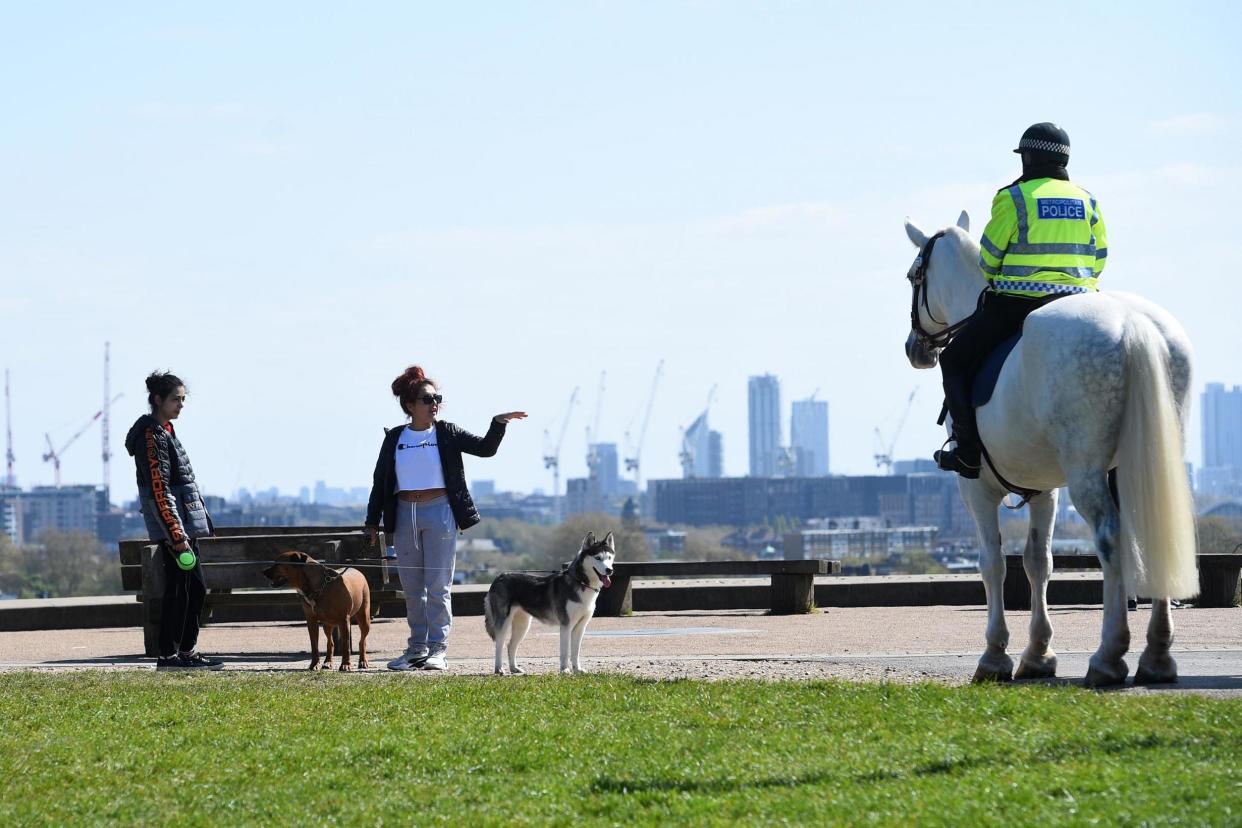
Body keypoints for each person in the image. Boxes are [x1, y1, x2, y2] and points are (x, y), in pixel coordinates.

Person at [935, 122, 1109, 478]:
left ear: (1028, 158)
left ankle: (967, 454)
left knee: (953, 360)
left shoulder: (1013, 198)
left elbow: (987, 260)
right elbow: (1100, 257)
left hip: (1019, 303)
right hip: (1081, 303)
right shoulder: (1087, 200)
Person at [365, 365, 525, 671]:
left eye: (437, 398)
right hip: (403, 513)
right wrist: (372, 522)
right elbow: (380, 481)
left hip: (439, 511)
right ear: (410, 406)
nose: (434, 403)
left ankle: (438, 649)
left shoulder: (447, 433)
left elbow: (485, 448)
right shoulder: (395, 437)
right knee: (412, 587)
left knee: (438, 585)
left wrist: (498, 423)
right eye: (427, 399)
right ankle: (416, 649)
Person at [124, 371, 223, 669]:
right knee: (186, 590)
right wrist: (177, 536)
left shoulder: (164, 430)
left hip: (179, 527)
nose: (181, 405)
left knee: (187, 590)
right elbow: (160, 489)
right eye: (175, 399)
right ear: (157, 400)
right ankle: (173, 655)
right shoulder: (152, 436)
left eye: (182, 399)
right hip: (173, 530)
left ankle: (179, 653)